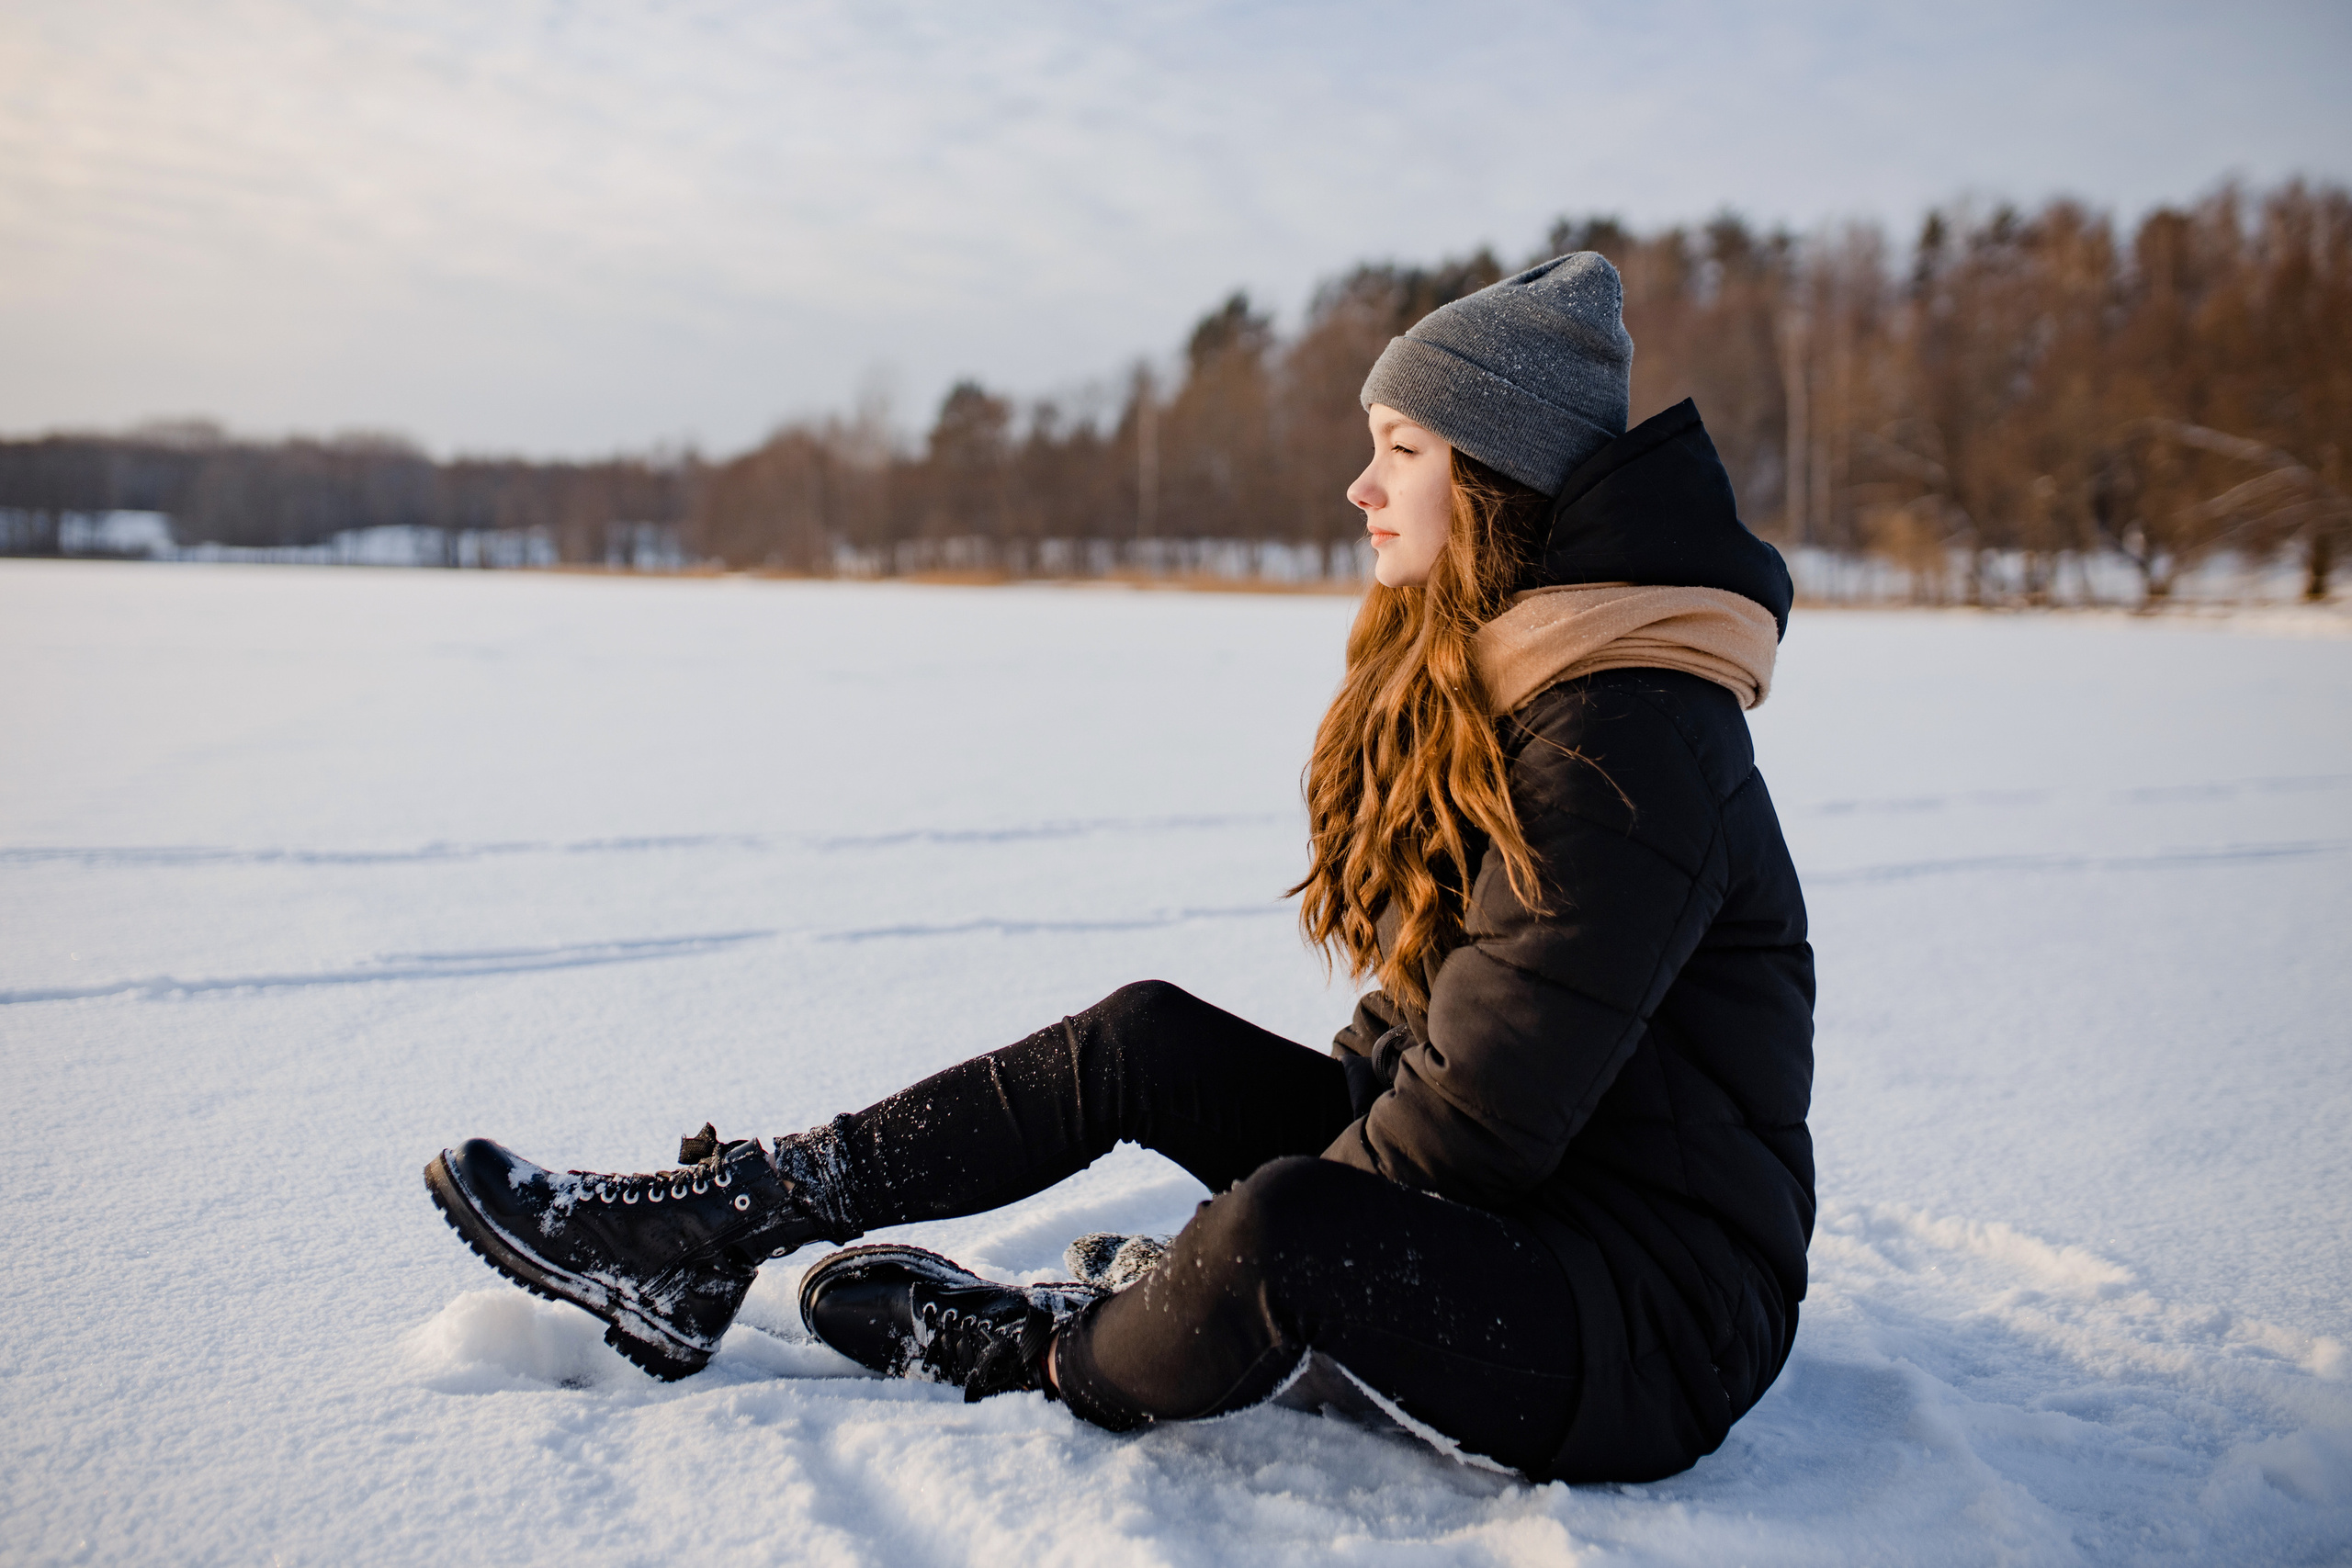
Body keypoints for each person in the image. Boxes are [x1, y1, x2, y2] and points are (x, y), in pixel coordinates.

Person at [424, 252, 1815, 1484]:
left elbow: (1464, 1139)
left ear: (1494, 474)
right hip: (1535, 1214)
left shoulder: (1623, 743)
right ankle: (728, 1222)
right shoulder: (1524, 683)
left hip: (1646, 1317)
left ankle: (1035, 1353)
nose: (1362, 486)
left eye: (1401, 447)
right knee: (1144, 1038)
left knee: (1283, 1231)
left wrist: (1201, 1287)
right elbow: (1414, 1051)